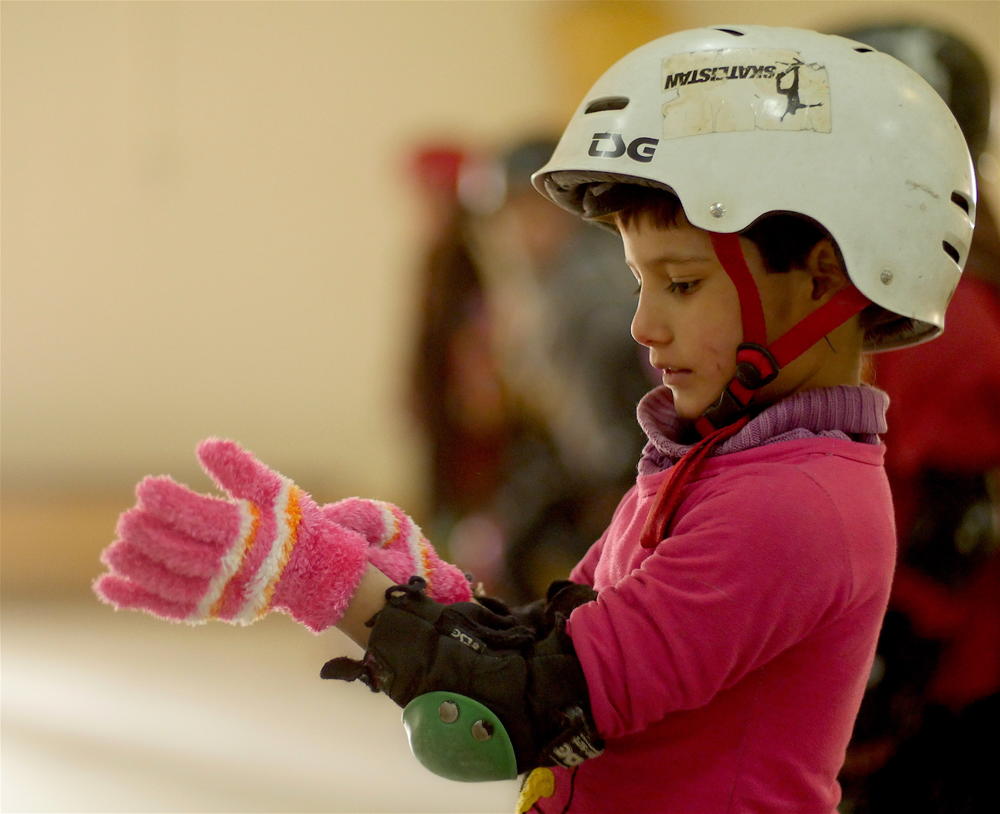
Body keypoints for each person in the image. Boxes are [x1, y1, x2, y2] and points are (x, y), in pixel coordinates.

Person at [92, 25, 975, 814]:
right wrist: (414, 584)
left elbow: (511, 716)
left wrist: (313, 578)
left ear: (823, 280)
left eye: (683, 282)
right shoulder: (726, 465)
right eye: (640, 282)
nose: (643, 325)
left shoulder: (793, 507)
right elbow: (557, 642)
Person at [829, 23, 1000, 814]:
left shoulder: (942, 313)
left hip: (951, 683)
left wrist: (889, 660)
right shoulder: (921, 291)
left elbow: (958, 520)